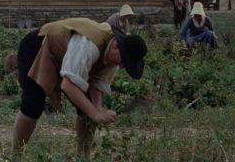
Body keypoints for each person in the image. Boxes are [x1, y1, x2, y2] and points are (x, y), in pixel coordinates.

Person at [11, 18, 147, 159]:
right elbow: (68, 85)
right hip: (38, 45)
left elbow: (97, 82)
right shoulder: (88, 45)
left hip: (67, 54)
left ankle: (82, 157)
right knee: (33, 104)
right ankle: (15, 155)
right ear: (116, 47)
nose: (122, 66)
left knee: (86, 108)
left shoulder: (115, 58)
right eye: (123, 61)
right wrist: (95, 113)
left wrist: (97, 107)